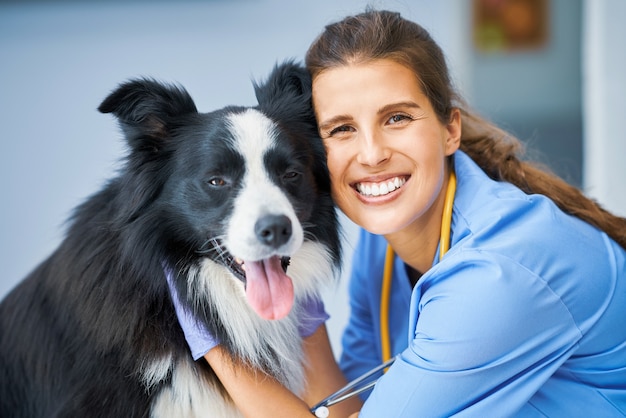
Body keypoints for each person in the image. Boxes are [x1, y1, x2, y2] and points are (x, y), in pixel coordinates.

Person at [171, 9, 626, 417]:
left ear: (450, 130)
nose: (371, 155)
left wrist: (215, 348)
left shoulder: (499, 274)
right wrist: (299, 315)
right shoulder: (382, 245)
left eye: (397, 119)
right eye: (342, 129)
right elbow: (351, 406)